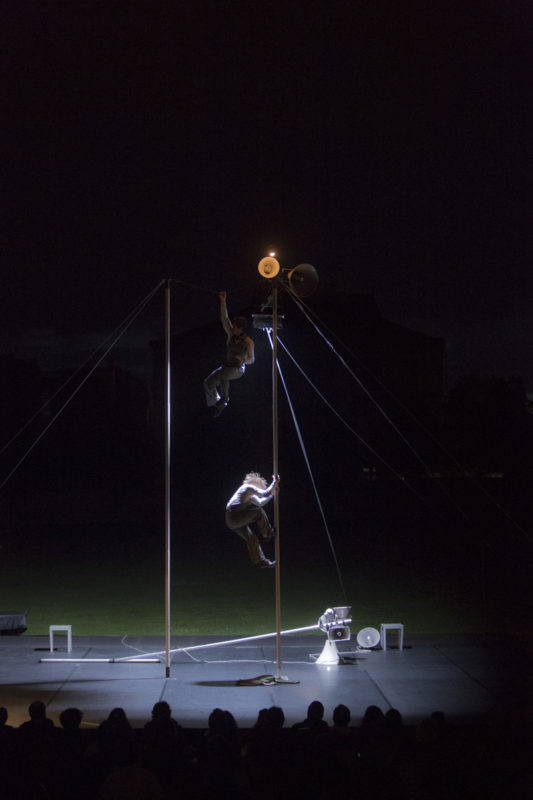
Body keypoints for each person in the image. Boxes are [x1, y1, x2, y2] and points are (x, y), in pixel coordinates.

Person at [204, 290, 255, 416]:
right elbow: (224, 319)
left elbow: (251, 359)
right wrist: (223, 302)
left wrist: (244, 360)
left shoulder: (248, 342)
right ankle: (217, 404)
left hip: (238, 369)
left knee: (224, 374)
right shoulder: (231, 334)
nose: (233, 329)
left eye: (235, 328)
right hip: (227, 366)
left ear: (241, 329)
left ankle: (225, 398)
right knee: (208, 382)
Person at [225, 472, 279, 567]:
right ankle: (267, 533)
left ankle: (260, 561)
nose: (258, 492)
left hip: (232, 520)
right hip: (234, 516)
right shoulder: (247, 487)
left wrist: (272, 495)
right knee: (258, 512)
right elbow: (265, 494)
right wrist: (274, 482)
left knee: (251, 537)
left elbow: (260, 502)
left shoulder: (250, 494)